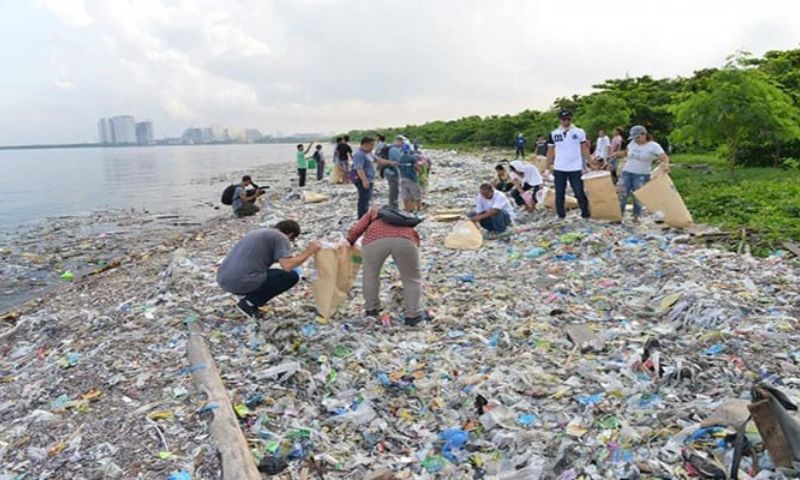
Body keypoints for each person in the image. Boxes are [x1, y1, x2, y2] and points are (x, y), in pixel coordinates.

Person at [216, 220, 321, 320]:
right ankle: (248, 303)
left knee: (273, 273)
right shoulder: (281, 237)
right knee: (290, 276)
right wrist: (309, 251)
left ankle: (249, 297)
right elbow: (287, 266)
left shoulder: (259, 233)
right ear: (290, 235)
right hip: (240, 281)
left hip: (224, 279)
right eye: (292, 241)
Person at [346, 208, 426, 326]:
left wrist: (349, 242)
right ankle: (412, 316)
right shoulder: (403, 216)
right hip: (405, 240)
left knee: (370, 275)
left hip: (375, 240)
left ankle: (371, 310)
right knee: (412, 279)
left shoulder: (374, 212)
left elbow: (357, 229)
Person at [612, 125, 671, 223]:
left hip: (641, 175)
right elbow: (627, 153)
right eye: (634, 138)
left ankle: (636, 217)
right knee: (622, 194)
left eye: (637, 138)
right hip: (627, 172)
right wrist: (617, 154)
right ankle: (618, 217)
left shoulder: (653, 146)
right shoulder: (632, 143)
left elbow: (664, 157)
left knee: (638, 196)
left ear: (644, 135)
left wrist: (666, 165)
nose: (636, 140)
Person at [546, 110, 591, 219]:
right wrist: (549, 165)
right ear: (560, 120)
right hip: (559, 167)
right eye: (564, 119)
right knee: (560, 193)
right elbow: (550, 150)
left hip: (575, 167)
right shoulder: (554, 133)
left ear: (571, 119)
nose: (566, 122)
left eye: (568, 119)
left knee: (579, 191)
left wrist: (589, 161)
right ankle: (561, 215)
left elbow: (584, 148)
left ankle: (585, 213)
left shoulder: (579, 132)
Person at [352, 136, 377, 219]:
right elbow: (359, 168)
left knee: (366, 198)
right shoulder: (359, 154)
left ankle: (364, 216)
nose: (373, 147)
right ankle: (362, 217)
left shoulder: (368, 153)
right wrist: (364, 180)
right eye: (372, 145)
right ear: (365, 144)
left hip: (369, 179)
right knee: (364, 199)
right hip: (361, 179)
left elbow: (377, 160)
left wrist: (390, 163)